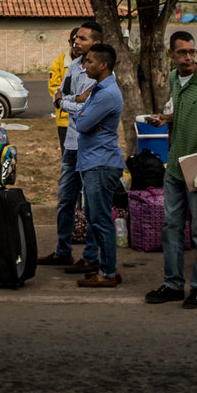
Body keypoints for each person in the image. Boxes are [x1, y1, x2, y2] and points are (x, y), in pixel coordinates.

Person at [142, 31, 197, 308]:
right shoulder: (173, 78)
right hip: (175, 167)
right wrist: (165, 119)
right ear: (172, 55)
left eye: (192, 51)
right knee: (171, 228)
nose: (189, 57)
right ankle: (173, 284)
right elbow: (183, 113)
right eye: (182, 52)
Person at [38, 21, 96, 270]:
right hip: (71, 143)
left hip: (91, 147)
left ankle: (91, 258)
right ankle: (63, 250)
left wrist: (67, 102)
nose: (76, 42)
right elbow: (61, 94)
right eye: (76, 38)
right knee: (65, 199)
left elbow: (85, 107)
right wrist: (69, 101)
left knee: (92, 204)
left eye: (82, 38)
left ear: (96, 42)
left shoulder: (102, 73)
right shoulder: (72, 65)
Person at [72, 41, 126, 288]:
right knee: (97, 217)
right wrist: (83, 114)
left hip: (100, 163)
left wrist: (80, 114)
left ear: (104, 65)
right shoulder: (99, 89)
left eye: (90, 61)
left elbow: (81, 124)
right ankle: (106, 268)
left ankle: (107, 272)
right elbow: (84, 119)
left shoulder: (105, 94)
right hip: (94, 161)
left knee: (101, 219)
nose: (85, 66)